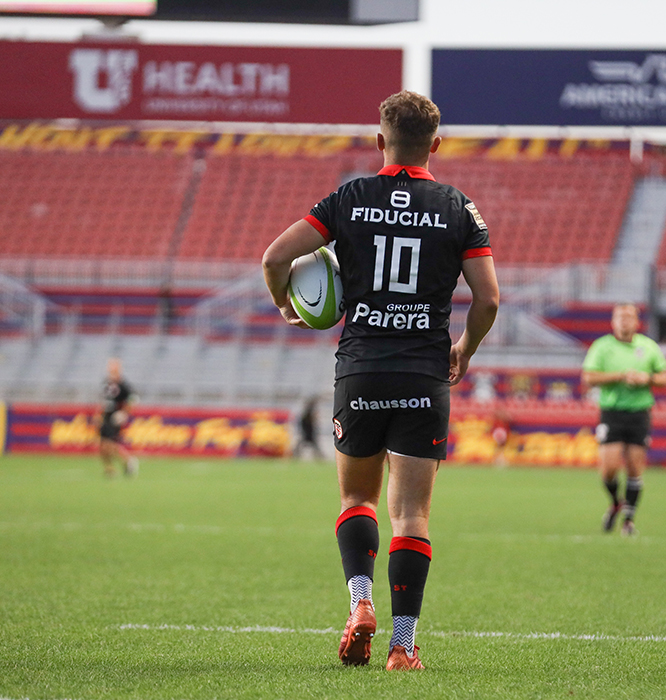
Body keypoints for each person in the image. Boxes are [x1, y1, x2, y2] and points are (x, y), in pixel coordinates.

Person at [262, 90, 499, 671]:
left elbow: (274, 259)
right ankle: (402, 646)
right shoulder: (456, 207)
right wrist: (464, 349)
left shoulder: (350, 196)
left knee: (355, 498)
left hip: (361, 369)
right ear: (436, 145)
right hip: (424, 373)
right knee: (411, 515)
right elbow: (489, 297)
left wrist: (287, 307)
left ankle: (360, 606)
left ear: (379, 142)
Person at [581, 304, 666, 536]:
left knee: (634, 468)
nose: (624, 321)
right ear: (613, 322)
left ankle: (628, 521)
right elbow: (589, 377)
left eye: (629, 317)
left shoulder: (648, 347)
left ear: (637, 322)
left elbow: (664, 377)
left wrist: (646, 378)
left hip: (639, 413)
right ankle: (615, 502)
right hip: (611, 412)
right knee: (608, 469)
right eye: (620, 317)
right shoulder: (602, 347)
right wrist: (620, 376)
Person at [96, 357, 138, 478]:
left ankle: (127, 460)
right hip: (105, 416)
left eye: (114, 367)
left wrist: (124, 413)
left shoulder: (123, 384)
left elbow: (132, 400)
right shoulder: (106, 382)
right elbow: (103, 401)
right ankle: (110, 468)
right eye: (110, 366)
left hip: (115, 417)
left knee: (110, 443)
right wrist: (98, 414)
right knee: (103, 446)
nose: (111, 369)